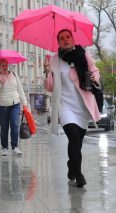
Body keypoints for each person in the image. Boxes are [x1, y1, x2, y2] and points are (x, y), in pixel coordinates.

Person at [43, 29, 101, 187]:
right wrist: (47, 71)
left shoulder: (83, 55)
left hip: (82, 106)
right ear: (58, 42)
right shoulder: (55, 59)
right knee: (74, 138)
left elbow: (95, 70)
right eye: (61, 38)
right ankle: (79, 174)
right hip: (65, 106)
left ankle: (71, 166)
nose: (65, 40)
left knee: (77, 143)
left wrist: (95, 76)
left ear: (73, 38)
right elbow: (50, 87)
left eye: (68, 37)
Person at [0, 58, 28, 156]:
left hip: (15, 104)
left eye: (6, 65)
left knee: (15, 125)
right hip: (1, 106)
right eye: (2, 65)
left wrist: (25, 104)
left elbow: (20, 90)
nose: (5, 67)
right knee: (4, 127)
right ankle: (4, 147)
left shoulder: (14, 75)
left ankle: (15, 147)